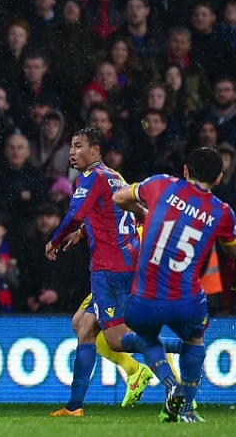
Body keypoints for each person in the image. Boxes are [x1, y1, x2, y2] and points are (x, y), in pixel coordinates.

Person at [44, 127, 180, 416]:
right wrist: (82, 234)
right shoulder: (114, 176)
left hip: (110, 269)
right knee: (82, 324)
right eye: (71, 146)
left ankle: (182, 352)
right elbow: (115, 212)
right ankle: (74, 406)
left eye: (78, 146)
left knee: (117, 340)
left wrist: (54, 240)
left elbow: (75, 213)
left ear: (95, 150)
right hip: (127, 262)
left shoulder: (90, 176)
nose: (72, 152)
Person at [114, 147, 236, 423]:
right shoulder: (222, 212)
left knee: (145, 336)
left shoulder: (161, 184)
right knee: (194, 340)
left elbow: (118, 197)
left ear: (185, 170)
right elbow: (233, 252)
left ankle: (171, 384)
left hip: (143, 300)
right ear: (219, 178)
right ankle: (188, 409)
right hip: (185, 301)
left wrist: (142, 212)